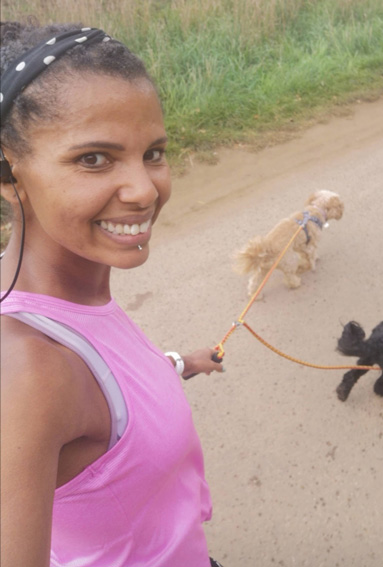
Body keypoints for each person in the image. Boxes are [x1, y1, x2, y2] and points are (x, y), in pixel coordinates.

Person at [0, 21, 225, 567]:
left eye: (153, 152)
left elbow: (105, 403)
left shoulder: (69, 299)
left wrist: (175, 364)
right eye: (93, 159)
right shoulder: (31, 370)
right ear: (9, 176)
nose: (145, 190)